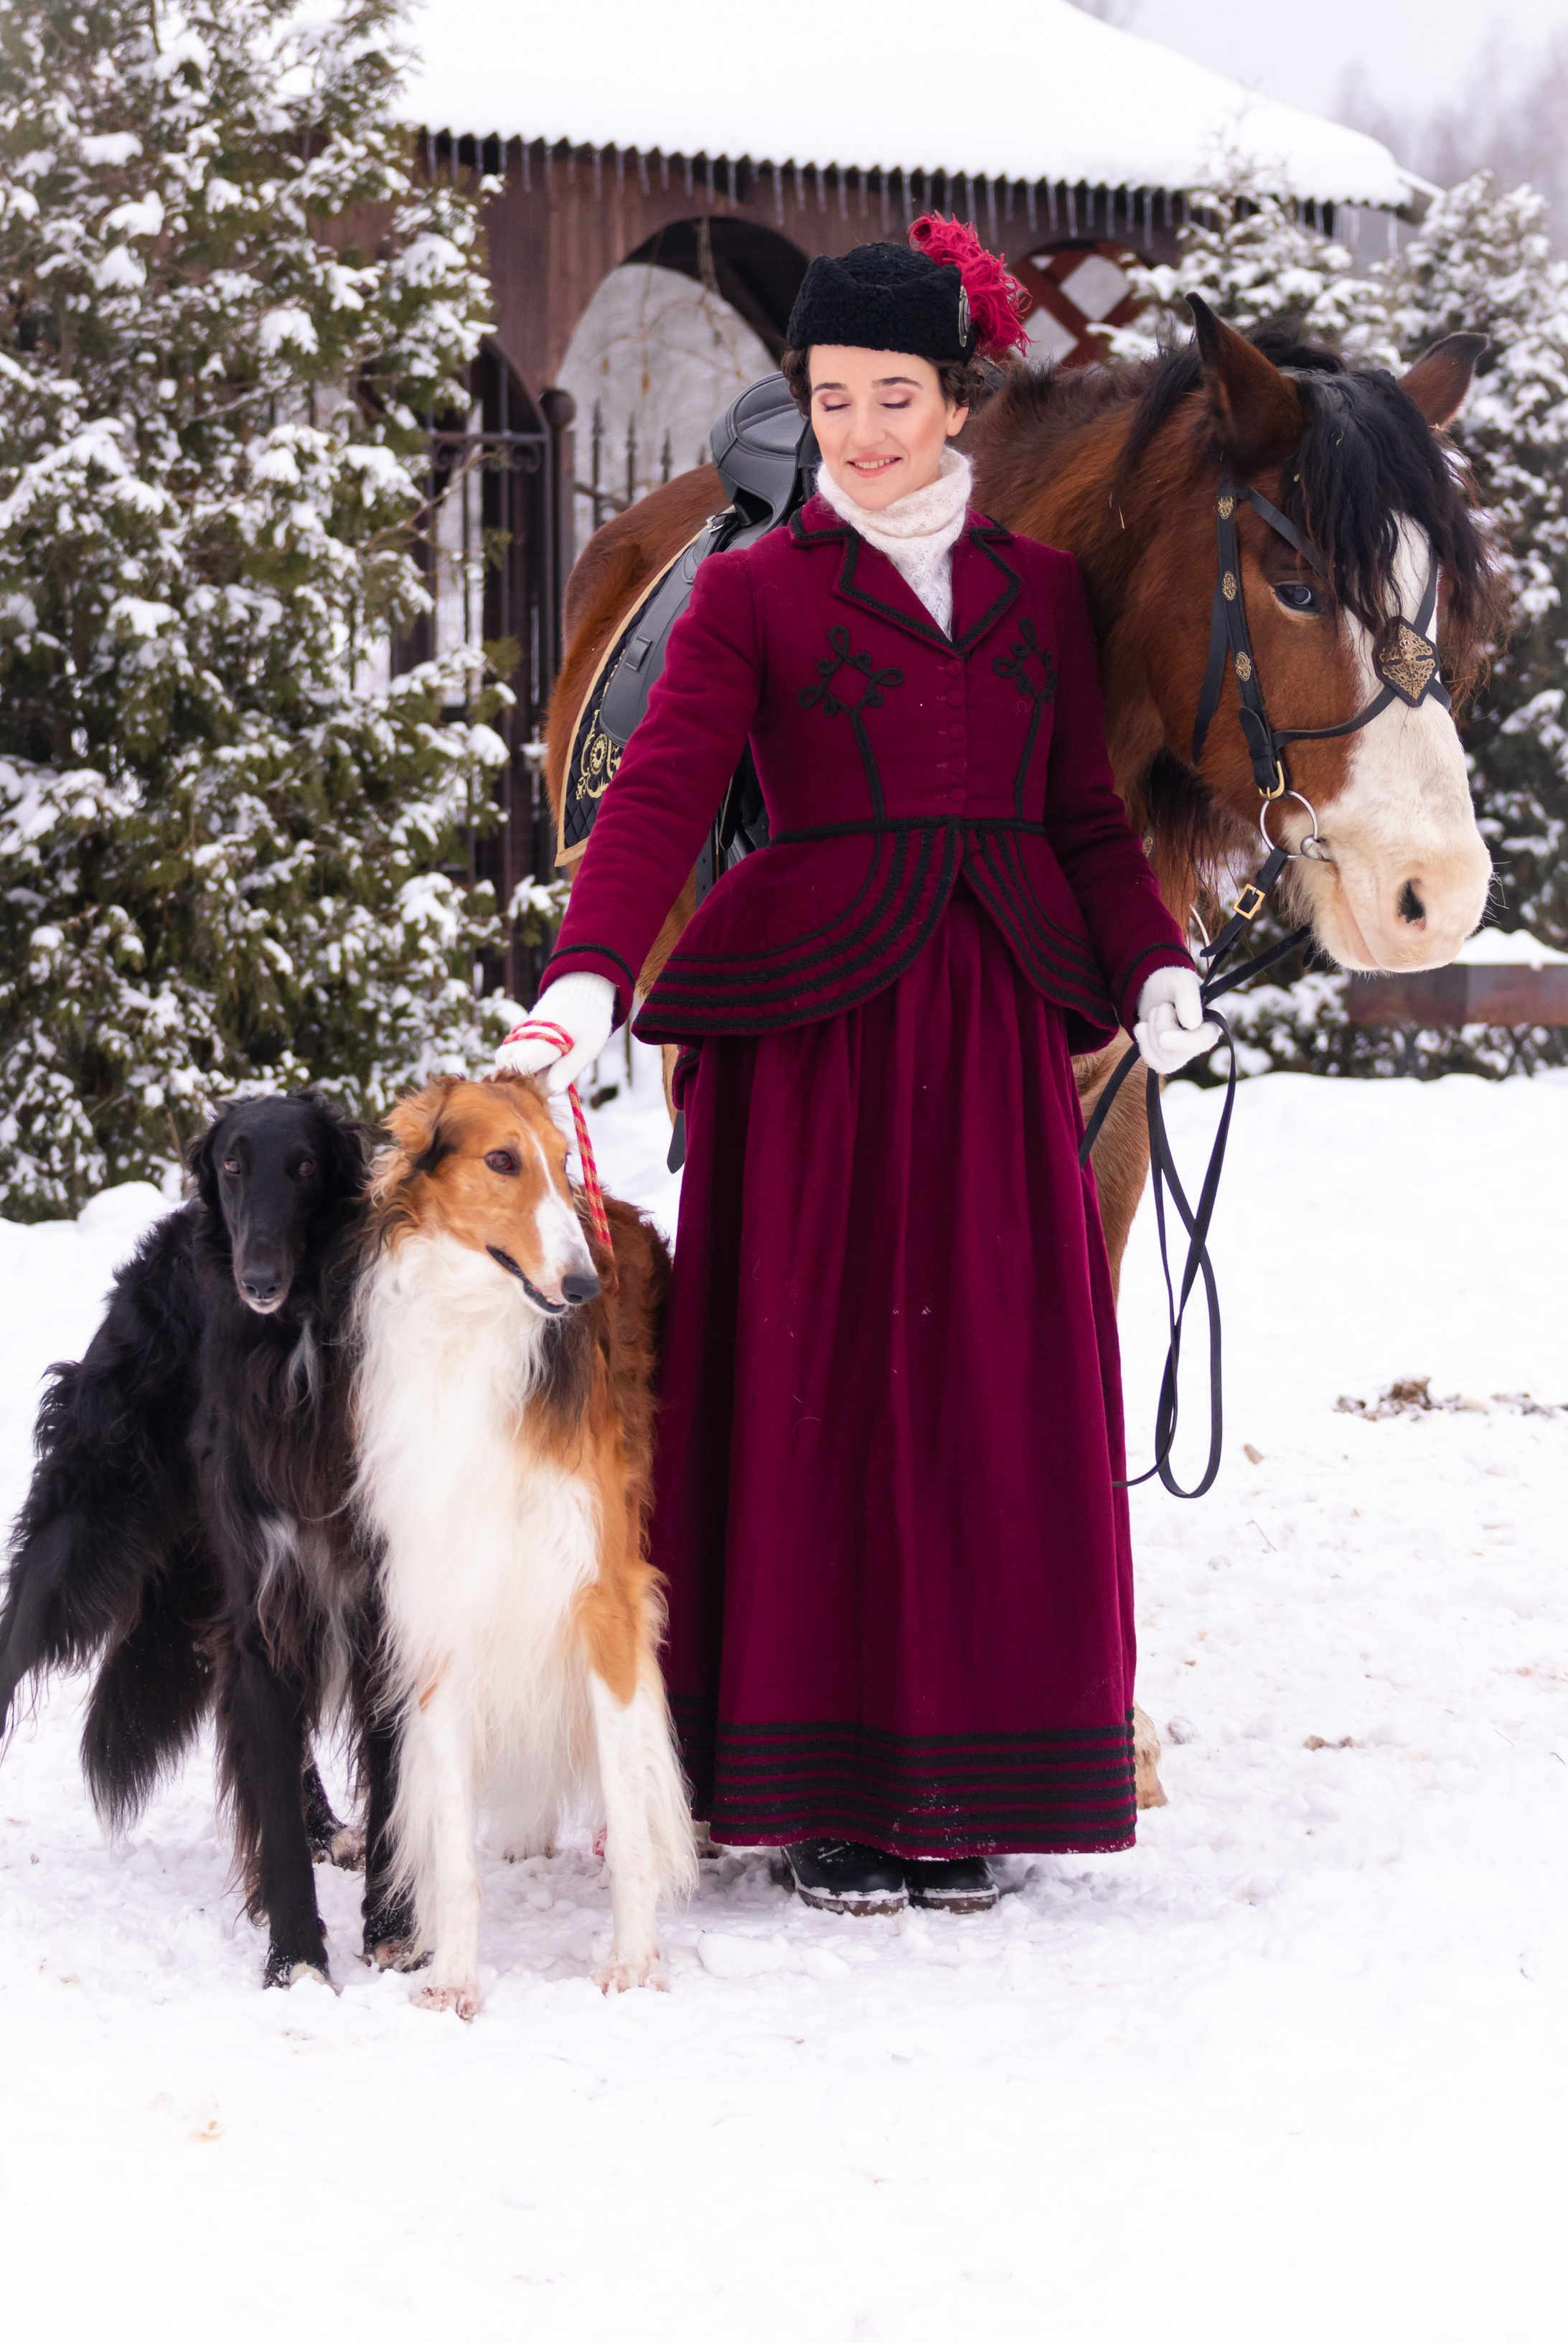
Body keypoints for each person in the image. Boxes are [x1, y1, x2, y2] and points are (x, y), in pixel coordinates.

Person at [501, 220, 1217, 1916]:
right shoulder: (753, 591)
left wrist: (1156, 964)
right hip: (808, 1045)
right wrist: (585, 983)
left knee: (983, 1394)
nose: (863, 431)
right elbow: (661, 797)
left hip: (987, 1036)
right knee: (811, 1399)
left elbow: (1082, 825)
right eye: (830, 399)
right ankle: (817, 1787)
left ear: (954, 402)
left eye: (894, 397)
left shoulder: (1041, 598)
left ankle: (971, 1783)